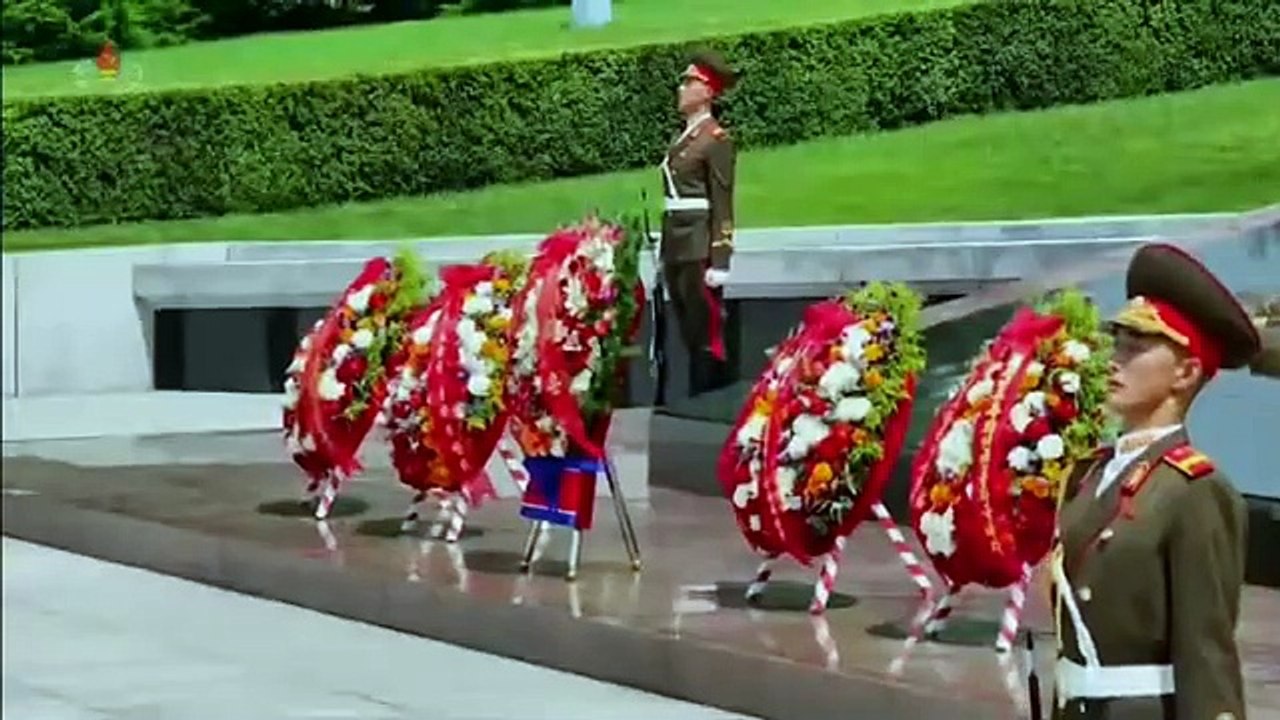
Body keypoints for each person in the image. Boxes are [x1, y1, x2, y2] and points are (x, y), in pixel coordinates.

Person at [1051, 242, 1261, 720]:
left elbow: (1205, 651)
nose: (1115, 359)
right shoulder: (1090, 473)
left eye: (1138, 347)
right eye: (1118, 341)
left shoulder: (1196, 491)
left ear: (1185, 373)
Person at [659, 50, 737, 396]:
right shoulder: (686, 137)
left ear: (707, 91)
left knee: (705, 330)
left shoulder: (715, 139)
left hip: (697, 242)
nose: (682, 88)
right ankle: (696, 394)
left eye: (690, 82)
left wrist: (720, 258)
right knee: (688, 330)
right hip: (677, 242)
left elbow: (722, 199)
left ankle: (710, 394)